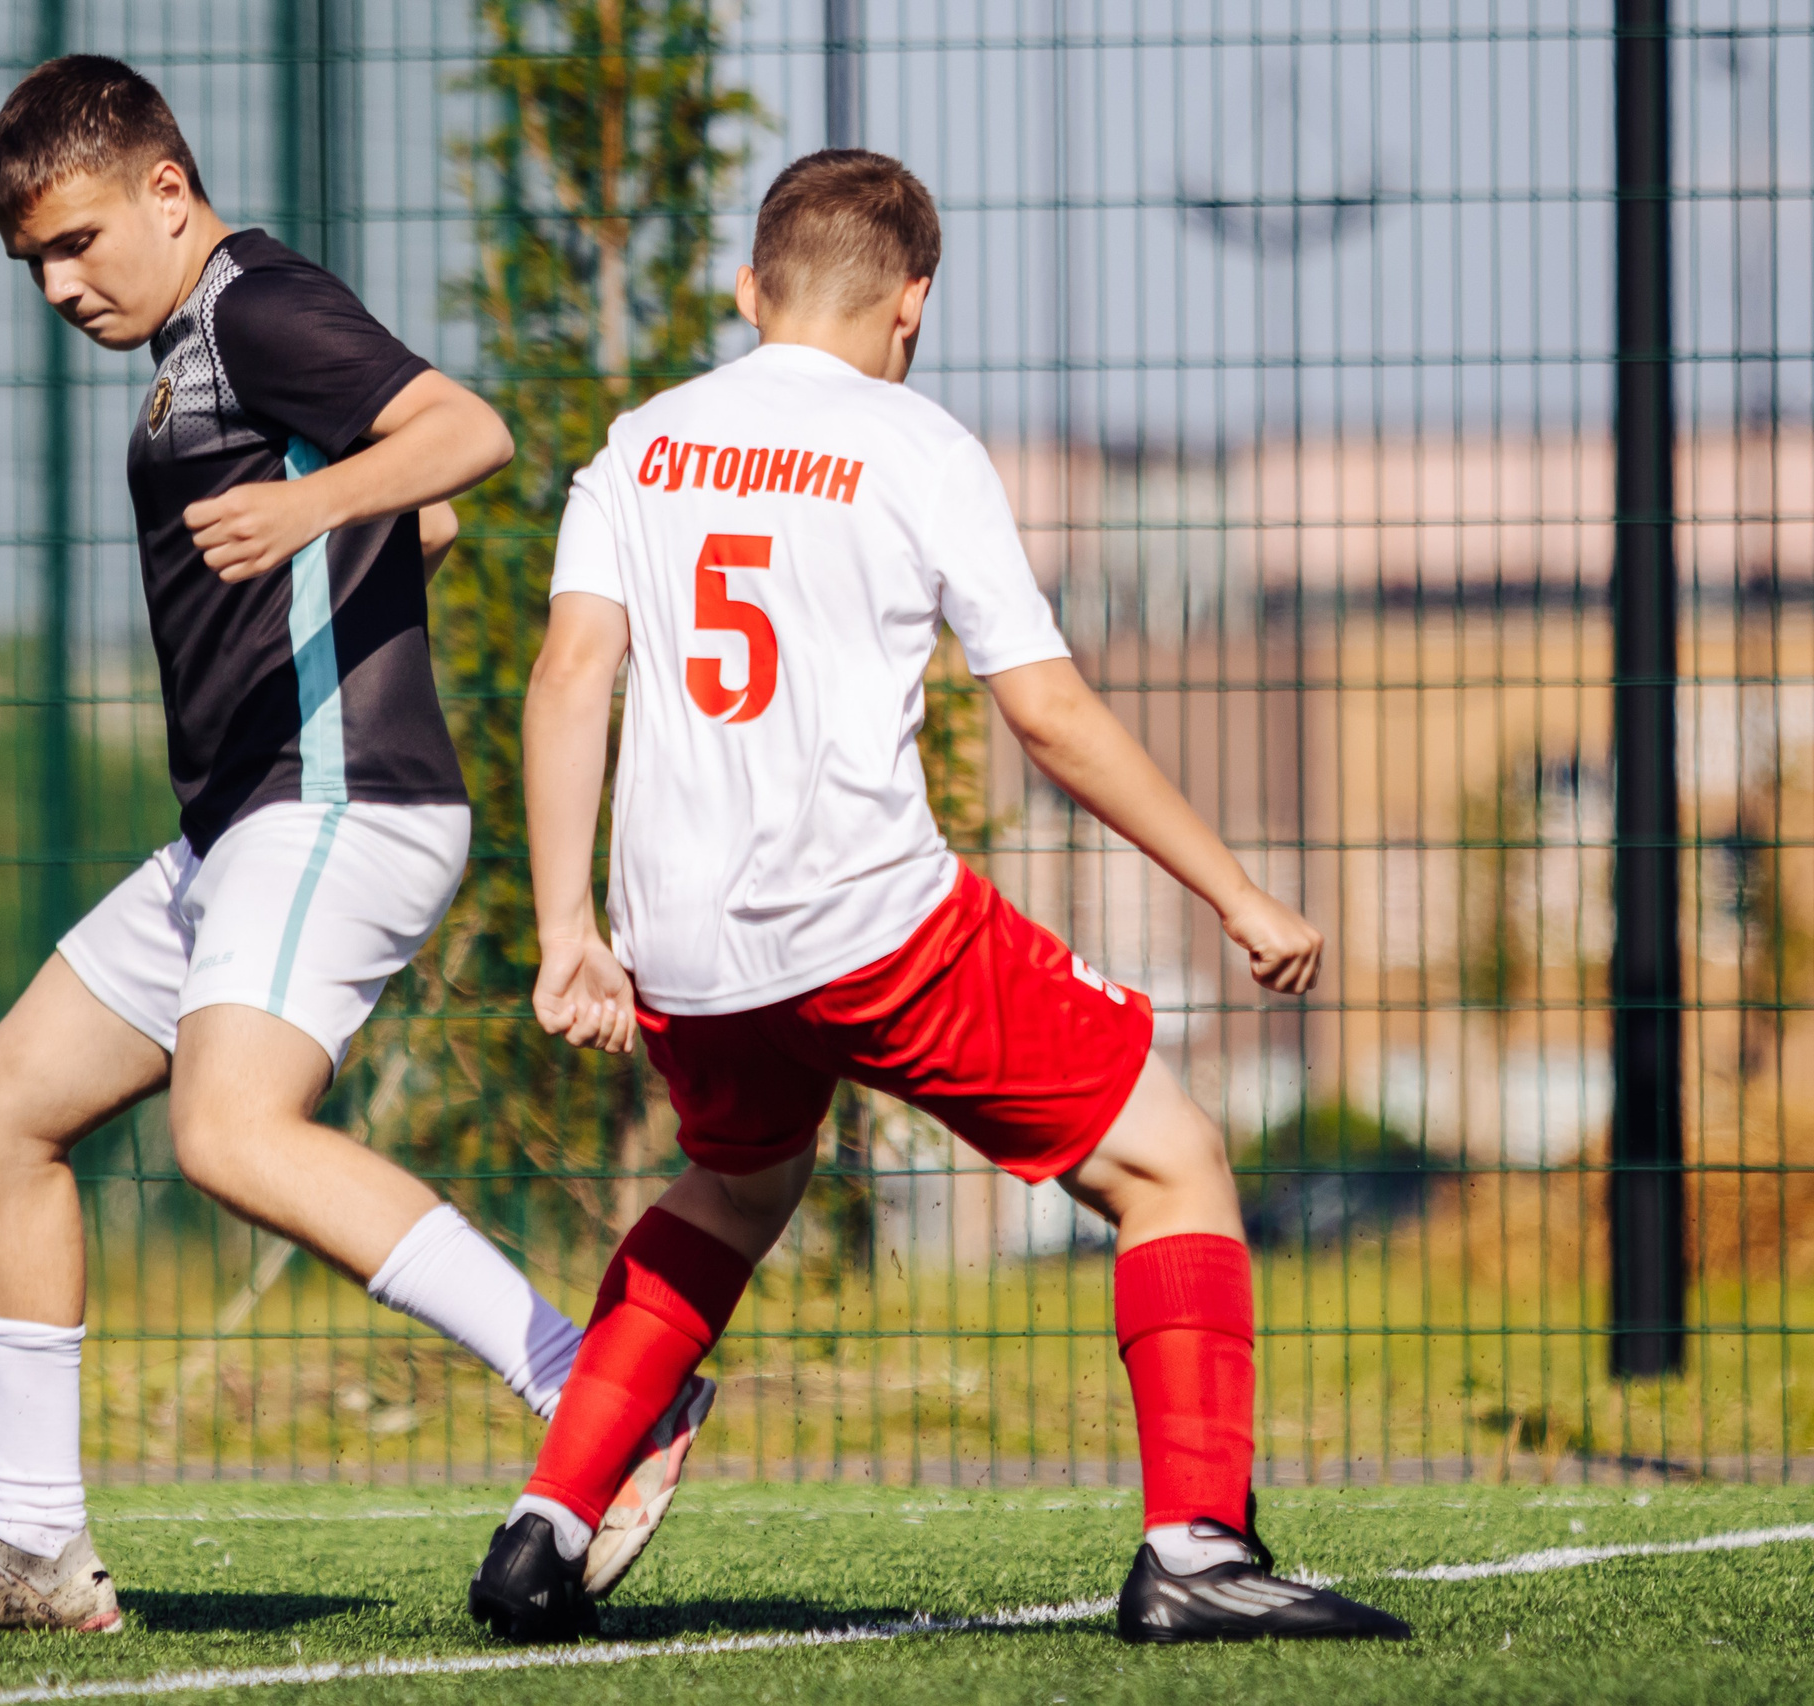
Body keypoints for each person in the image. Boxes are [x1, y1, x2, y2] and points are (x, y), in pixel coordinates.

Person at [469, 149, 1411, 1647]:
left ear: (746, 289)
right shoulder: (915, 445)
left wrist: (571, 927)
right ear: (913, 303)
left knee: (737, 1184)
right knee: (1172, 1161)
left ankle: (548, 1523)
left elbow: (571, 674)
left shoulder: (641, 441)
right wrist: (1235, 890)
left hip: (685, 947)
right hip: (868, 924)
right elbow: (1049, 714)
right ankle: (1199, 1547)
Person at [0, 55, 699, 1636]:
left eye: (80, 239)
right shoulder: (192, 349)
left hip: (336, 800)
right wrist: (363, 513)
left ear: (168, 188)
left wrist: (320, 513)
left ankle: (597, 1385)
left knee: (230, 1133)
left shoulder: (247, 302)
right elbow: (408, 497)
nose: (56, 282)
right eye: (31, 258)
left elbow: (465, 429)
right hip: (236, 825)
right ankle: (33, 1550)